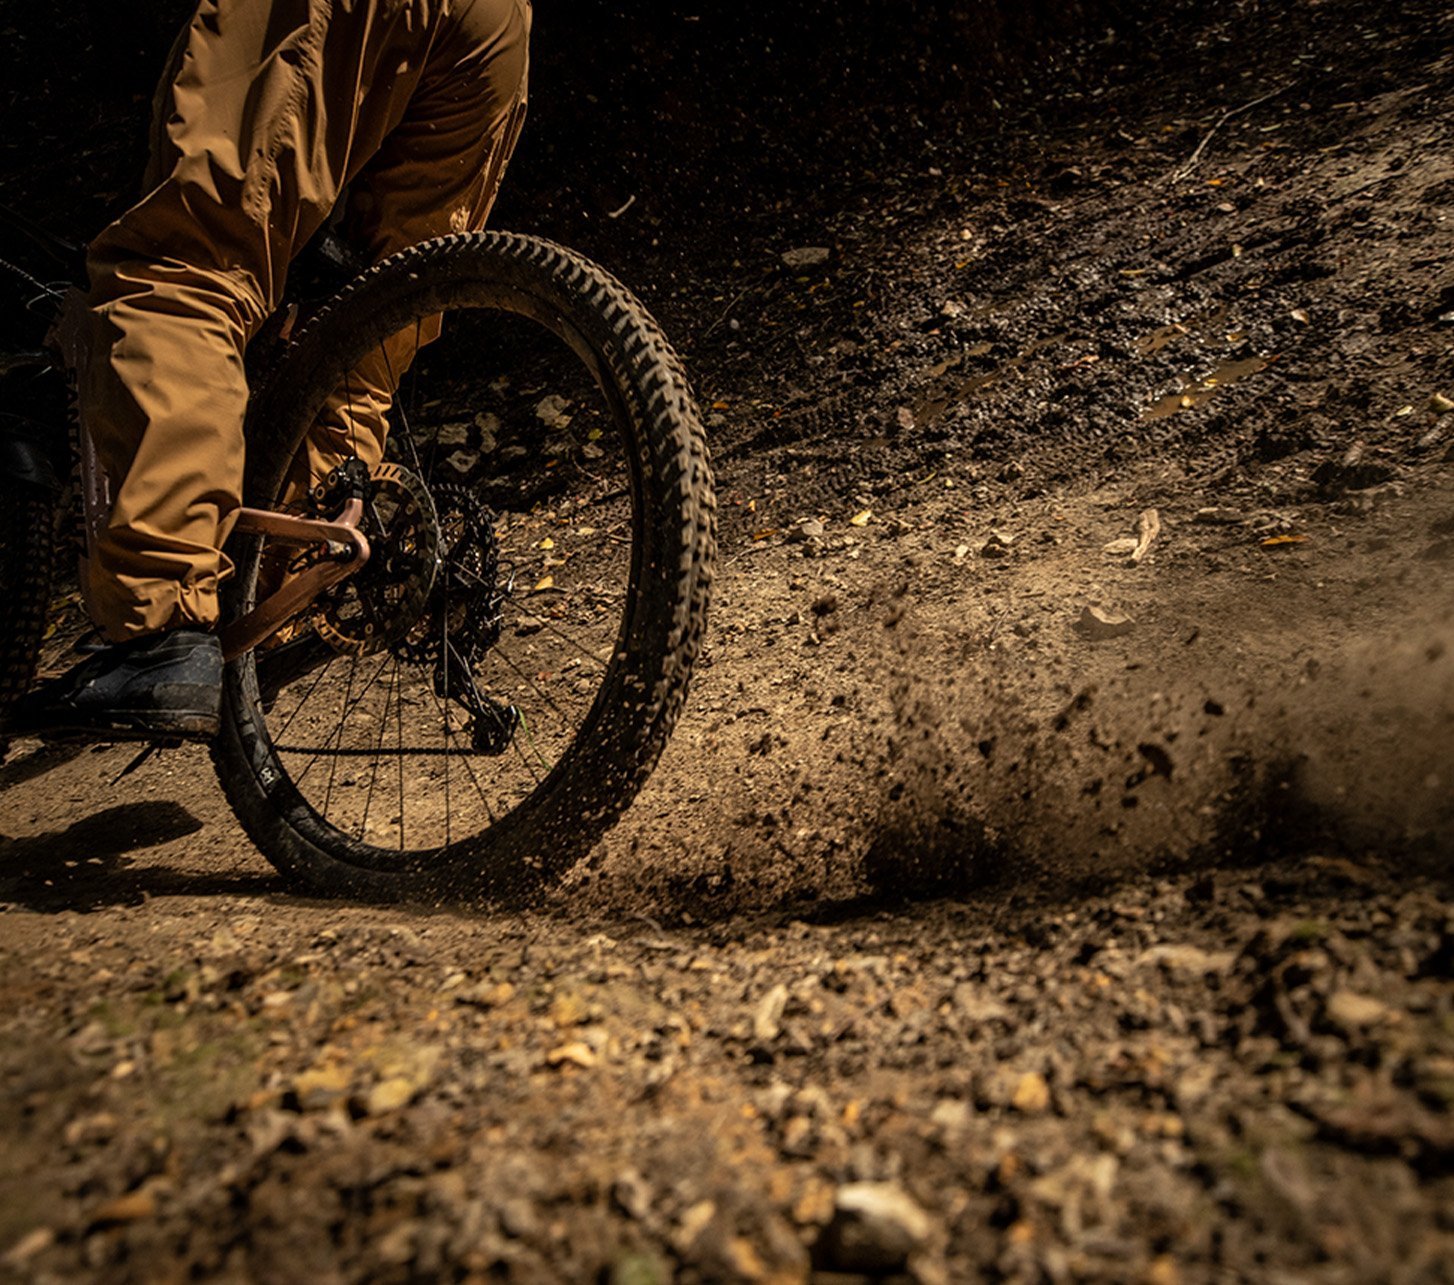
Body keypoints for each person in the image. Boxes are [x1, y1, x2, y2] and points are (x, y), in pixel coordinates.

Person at [12, 0, 531, 742]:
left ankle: (162, 625)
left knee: (184, 266)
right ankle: (286, 602)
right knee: (364, 335)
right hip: (498, 24)